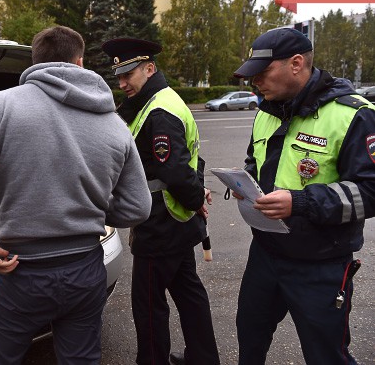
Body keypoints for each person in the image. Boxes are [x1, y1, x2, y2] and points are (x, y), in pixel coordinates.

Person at [0, 26, 151, 365]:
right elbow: (138, 206)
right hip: (85, 269)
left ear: (35, 62)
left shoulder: (2, 105)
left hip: (20, 271)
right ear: (79, 63)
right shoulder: (114, 123)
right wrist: (90, 206)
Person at [233, 27, 375, 365]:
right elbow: (256, 162)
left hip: (321, 264)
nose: (255, 83)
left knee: (326, 354)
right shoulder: (266, 110)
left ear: (297, 63)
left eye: (263, 73)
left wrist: (300, 202)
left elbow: (370, 191)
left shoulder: (353, 114)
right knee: (249, 337)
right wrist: (244, 183)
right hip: (266, 253)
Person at [102, 38, 220, 365]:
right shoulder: (159, 101)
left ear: (149, 68)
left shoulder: (160, 110)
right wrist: (194, 197)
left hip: (161, 225)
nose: (122, 82)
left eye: (128, 74)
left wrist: (196, 197)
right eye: (118, 76)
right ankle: (203, 357)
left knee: (149, 306)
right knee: (189, 295)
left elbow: (175, 170)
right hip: (176, 222)